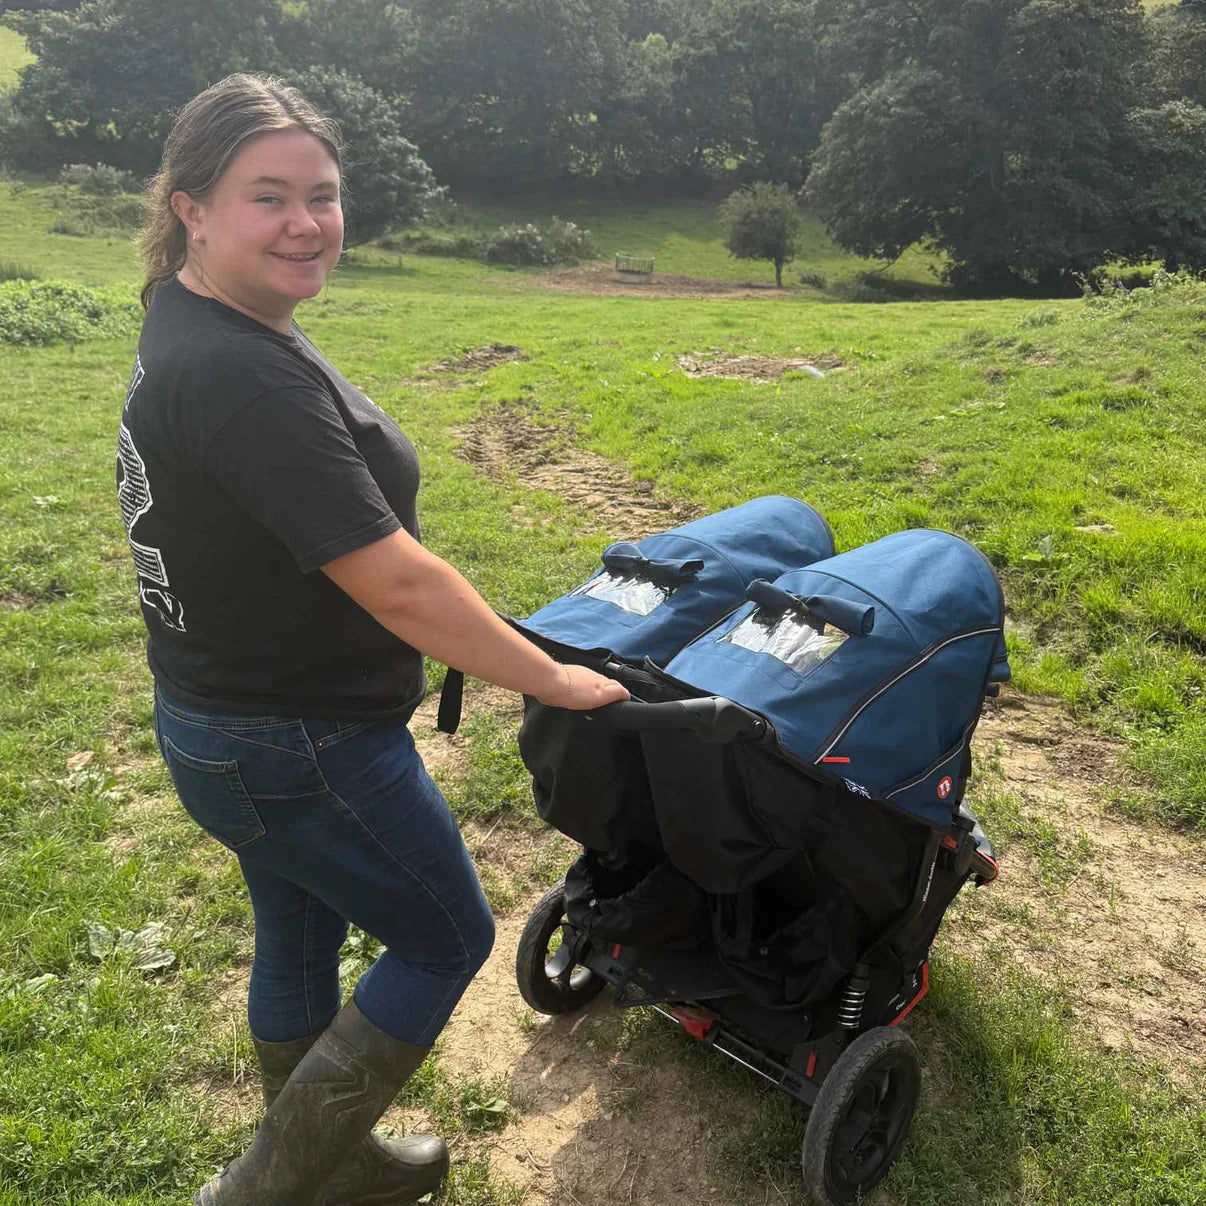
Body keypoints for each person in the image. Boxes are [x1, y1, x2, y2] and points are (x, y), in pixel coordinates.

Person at [119, 73, 628, 1206]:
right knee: (446, 936)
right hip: (296, 742)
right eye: (269, 197)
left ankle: (329, 1166)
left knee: (296, 926)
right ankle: (269, 1188)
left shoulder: (202, 317)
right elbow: (396, 582)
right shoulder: (242, 373)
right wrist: (549, 678)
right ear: (192, 206)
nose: (307, 223)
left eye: (324, 194)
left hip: (222, 724)